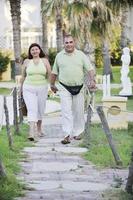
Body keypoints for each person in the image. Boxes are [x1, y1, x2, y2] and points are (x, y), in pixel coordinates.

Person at [50, 34, 96, 144]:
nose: (69, 44)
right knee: (66, 111)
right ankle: (67, 134)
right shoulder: (59, 56)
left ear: (74, 43)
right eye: (66, 42)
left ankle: (77, 133)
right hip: (64, 87)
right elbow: (54, 72)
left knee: (78, 111)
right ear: (64, 44)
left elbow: (90, 69)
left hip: (79, 87)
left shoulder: (81, 55)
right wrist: (52, 85)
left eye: (71, 42)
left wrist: (92, 80)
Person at [20, 43, 51, 141]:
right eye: (32, 49)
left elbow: (49, 74)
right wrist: (20, 89)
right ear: (30, 52)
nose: (34, 51)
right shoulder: (26, 61)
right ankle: (31, 132)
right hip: (28, 88)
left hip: (42, 87)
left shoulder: (45, 61)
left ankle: (39, 129)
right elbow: (23, 76)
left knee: (40, 109)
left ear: (39, 50)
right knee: (32, 109)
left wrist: (51, 86)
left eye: (36, 49)